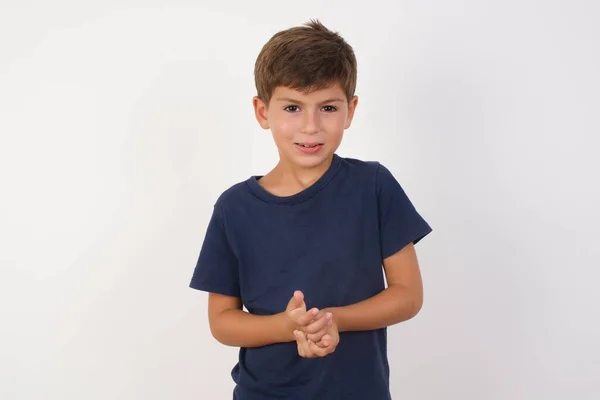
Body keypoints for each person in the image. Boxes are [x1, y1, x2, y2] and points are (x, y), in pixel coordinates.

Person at [189, 19, 433, 400]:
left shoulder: (373, 186)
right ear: (262, 110)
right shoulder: (233, 208)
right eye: (292, 107)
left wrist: (332, 320)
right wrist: (288, 327)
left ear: (350, 111)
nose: (310, 126)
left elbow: (407, 294)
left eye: (328, 108)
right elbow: (222, 321)